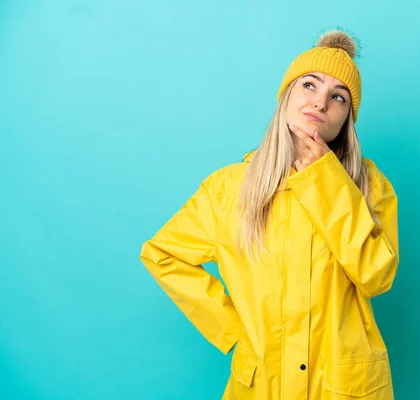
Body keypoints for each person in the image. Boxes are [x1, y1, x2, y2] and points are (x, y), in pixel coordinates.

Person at [140, 29, 400, 400]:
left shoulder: (370, 184)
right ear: (287, 96)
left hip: (344, 388)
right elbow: (162, 255)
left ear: (346, 118)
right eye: (310, 85)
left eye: (338, 97)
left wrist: (325, 179)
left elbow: (377, 275)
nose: (321, 102)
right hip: (262, 384)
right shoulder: (227, 188)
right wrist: (232, 329)